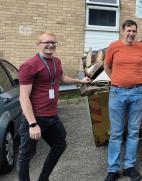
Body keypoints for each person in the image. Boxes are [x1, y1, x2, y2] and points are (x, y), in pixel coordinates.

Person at [18, 32, 91, 181]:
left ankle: (43, 178)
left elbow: (61, 78)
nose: (51, 45)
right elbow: (23, 97)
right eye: (47, 42)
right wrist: (32, 124)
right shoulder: (29, 66)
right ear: (38, 44)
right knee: (26, 155)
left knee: (60, 144)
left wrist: (80, 81)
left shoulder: (56, 61)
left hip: (51, 116)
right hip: (35, 118)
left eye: (53, 42)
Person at [104, 20, 142, 181]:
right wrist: (117, 80)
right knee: (116, 133)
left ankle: (129, 166)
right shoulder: (113, 47)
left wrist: (138, 80)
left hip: (137, 92)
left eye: (134, 31)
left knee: (133, 131)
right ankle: (113, 169)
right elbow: (107, 66)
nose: (131, 34)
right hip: (117, 93)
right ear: (122, 30)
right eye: (128, 30)